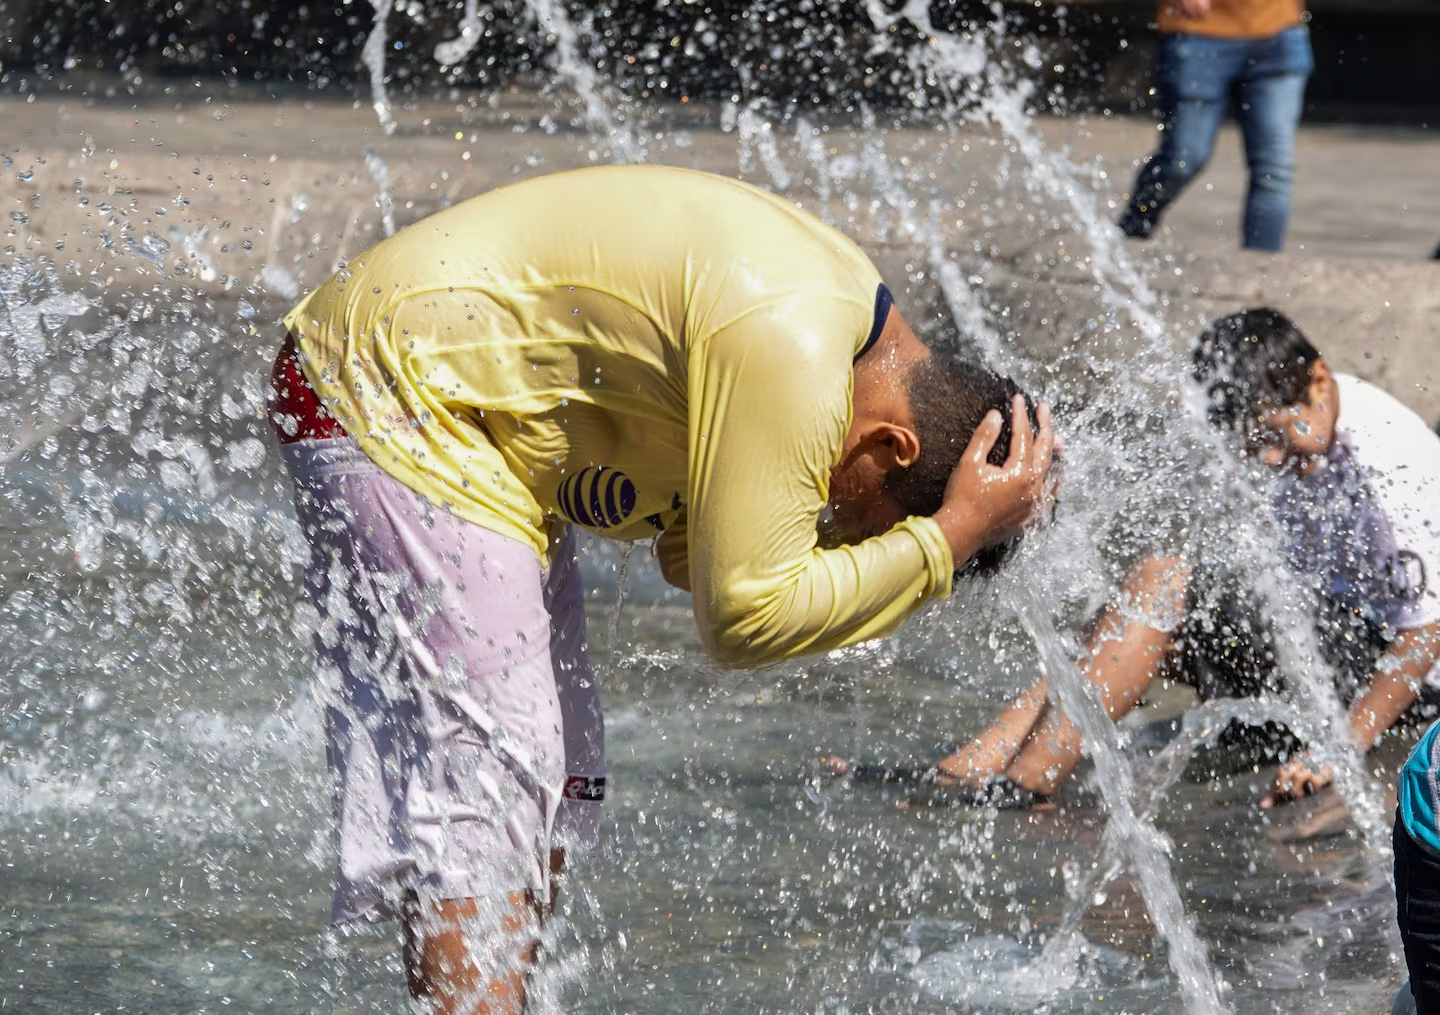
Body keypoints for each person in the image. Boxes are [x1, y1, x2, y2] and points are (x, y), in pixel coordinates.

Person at [269, 165, 1056, 1014]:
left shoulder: (848, 351)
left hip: (476, 428)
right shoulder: (792, 347)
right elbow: (745, 615)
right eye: (869, 525)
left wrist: (937, 535)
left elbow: (694, 559)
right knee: (494, 767)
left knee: (563, 765)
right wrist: (949, 538)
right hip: (389, 383)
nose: (839, 528)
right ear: (894, 448)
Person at [832, 308, 1440, 811]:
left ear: (1319, 380)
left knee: (1164, 581)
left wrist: (1340, 748)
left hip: (1401, 686)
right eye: (1259, 446)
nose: (1272, 462)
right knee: (1123, 613)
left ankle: (1026, 784)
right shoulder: (1311, 433)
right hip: (1326, 645)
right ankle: (971, 767)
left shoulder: (1384, 454)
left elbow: (1426, 632)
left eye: (1279, 438)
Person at [1118, 0, 1314, 251]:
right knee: (1183, 160)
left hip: (1279, 36)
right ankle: (1130, 234)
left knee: (1274, 170)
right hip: (1198, 33)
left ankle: (1263, 276)